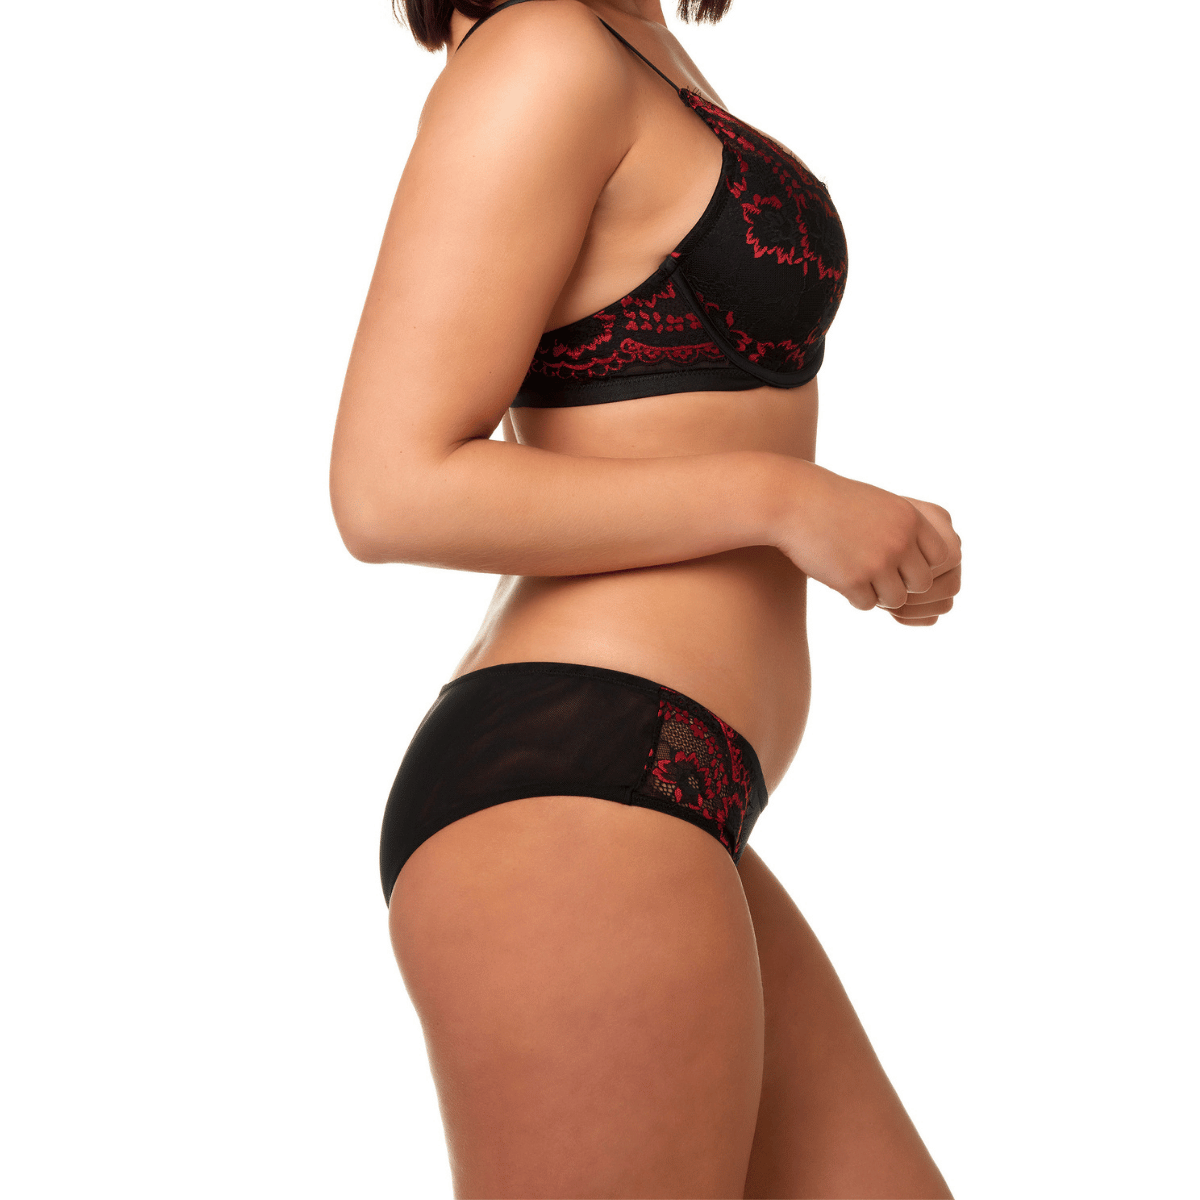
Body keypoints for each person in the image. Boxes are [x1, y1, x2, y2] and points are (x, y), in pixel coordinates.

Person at [330, 0, 961, 1194]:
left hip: (675, 793)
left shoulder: (625, 38)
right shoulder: (542, 49)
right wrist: (782, 499)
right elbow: (388, 487)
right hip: (574, 796)